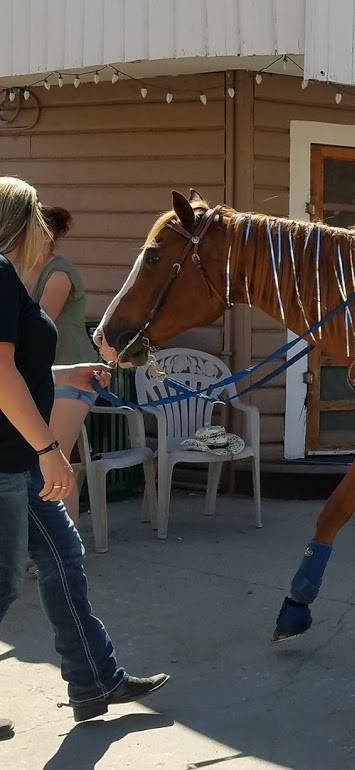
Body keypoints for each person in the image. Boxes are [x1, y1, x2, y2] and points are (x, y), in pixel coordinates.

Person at [0, 177, 168, 737]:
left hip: (16, 460)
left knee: (63, 558)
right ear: (20, 222)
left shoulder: (12, 280)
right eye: (38, 217)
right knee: (5, 580)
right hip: (8, 459)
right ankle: (95, 678)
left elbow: (17, 368)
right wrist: (49, 450)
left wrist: (66, 373)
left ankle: (94, 680)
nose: (45, 229)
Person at [28, 206, 97, 529]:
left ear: (48, 235)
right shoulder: (20, 270)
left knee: (56, 460)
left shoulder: (58, 274)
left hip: (75, 376)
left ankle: (67, 544)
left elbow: (36, 327)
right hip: (44, 377)